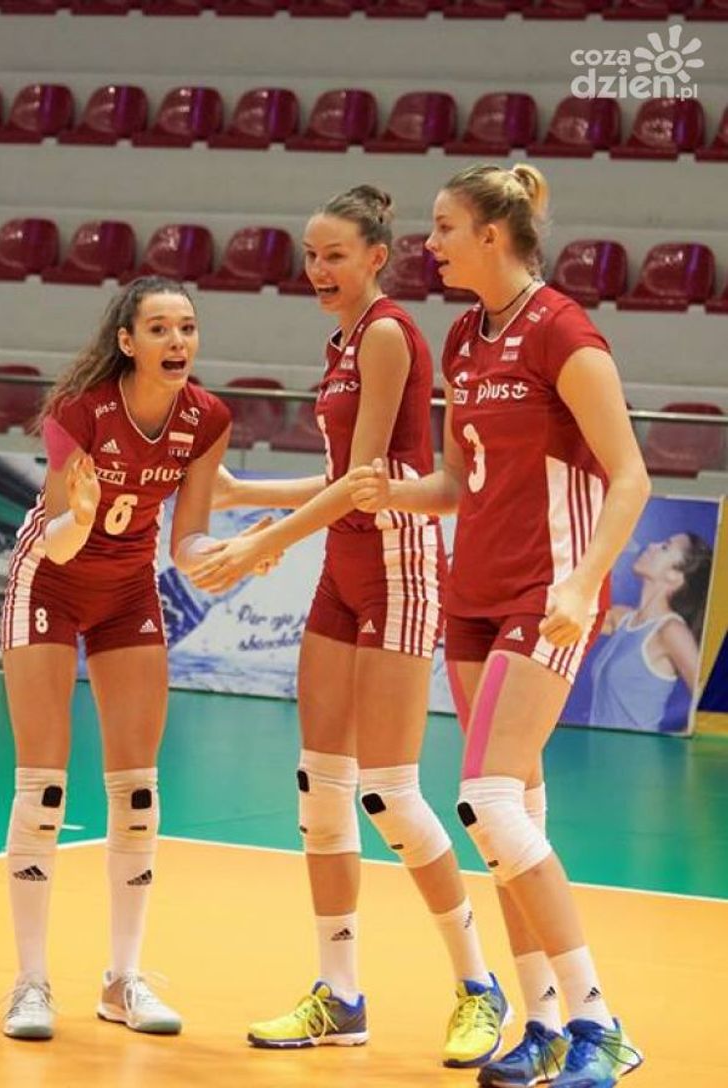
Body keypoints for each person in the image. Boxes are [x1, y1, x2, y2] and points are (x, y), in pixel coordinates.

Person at [349, 163, 649, 1088]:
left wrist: (585, 583)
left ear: (491, 234)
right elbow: (456, 483)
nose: (429, 244)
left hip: (546, 592)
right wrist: (393, 493)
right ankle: (544, 1024)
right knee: (513, 813)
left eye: (443, 228)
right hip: (473, 596)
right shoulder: (464, 337)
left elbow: (631, 476)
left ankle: (600, 1024)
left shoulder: (563, 331)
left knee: (487, 799)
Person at [202, 185, 507, 1066]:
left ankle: (479, 986)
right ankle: (339, 995)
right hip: (343, 565)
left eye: (334, 254)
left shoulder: (385, 333)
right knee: (320, 787)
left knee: (390, 792)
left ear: (378, 256)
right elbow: (340, 475)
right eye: (309, 254)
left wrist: (261, 542)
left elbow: (368, 482)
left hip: (398, 564)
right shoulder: (339, 343)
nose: (317, 270)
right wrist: (245, 494)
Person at [0, 275, 232, 1041]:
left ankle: (122, 980)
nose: (177, 341)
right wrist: (83, 514)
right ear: (127, 342)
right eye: (159, 328)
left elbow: (187, 541)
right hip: (49, 581)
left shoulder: (207, 418)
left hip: (128, 592)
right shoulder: (80, 411)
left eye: (187, 327)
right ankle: (31, 984)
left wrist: (231, 556)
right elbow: (58, 539)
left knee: (137, 791)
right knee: (44, 788)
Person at [587, 532, 711, 731]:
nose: (652, 544)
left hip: (635, 751)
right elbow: (565, 617)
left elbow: (710, 702)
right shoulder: (622, 618)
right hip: (596, 749)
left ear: (675, 576)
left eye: (665, 547)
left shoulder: (670, 630)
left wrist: (677, 746)